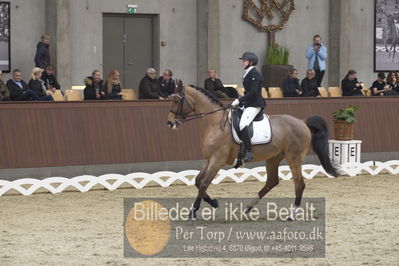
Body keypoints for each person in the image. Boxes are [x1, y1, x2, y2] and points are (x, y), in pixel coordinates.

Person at [231, 52, 265, 162]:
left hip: (255, 104)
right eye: (243, 60)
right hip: (248, 103)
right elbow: (248, 92)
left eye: (245, 61)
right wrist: (241, 102)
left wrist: (240, 100)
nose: (243, 62)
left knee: (243, 124)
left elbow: (254, 92)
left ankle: (249, 152)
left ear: (251, 62)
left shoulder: (255, 74)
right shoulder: (247, 73)